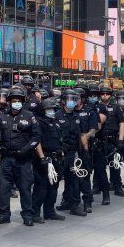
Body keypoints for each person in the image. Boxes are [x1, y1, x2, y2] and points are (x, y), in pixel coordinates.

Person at [0, 85, 41, 227]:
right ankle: (4, 215)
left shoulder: (29, 116)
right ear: (8, 101)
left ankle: (27, 215)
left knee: (25, 188)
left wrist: (26, 149)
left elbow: (36, 136)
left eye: (19, 100)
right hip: (6, 159)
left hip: (23, 159)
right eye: (13, 100)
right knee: (3, 188)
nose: (16, 103)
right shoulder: (2, 116)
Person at [32, 96, 65, 223]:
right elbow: (37, 141)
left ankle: (49, 211)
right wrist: (42, 157)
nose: (51, 111)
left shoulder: (55, 122)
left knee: (53, 186)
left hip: (56, 158)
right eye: (48, 109)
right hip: (44, 158)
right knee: (41, 187)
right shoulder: (39, 122)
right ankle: (35, 213)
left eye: (53, 109)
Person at [54, 89, 87, 217]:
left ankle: (74, 205)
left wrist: (85, 150)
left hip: (73, 152)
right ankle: (49, 208)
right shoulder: (57, 115)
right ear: (63, 101)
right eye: (69, 99)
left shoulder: (77, 117)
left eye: (74, 99)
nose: (72, 102)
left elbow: (82, 134)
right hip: (61, 153)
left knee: (74, 180)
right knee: (55, 180)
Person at [92, 86, 124, 205]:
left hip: (112, 141)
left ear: (110, 95)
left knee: (115, 166)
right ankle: (96, 187)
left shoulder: (116, 108)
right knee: (99, 167)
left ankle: (117, 187)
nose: (105, 95)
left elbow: (122, 123)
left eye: (107, 94)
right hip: (99, 140)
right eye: (103, 93)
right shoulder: (95, 107)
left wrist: (120, 140)